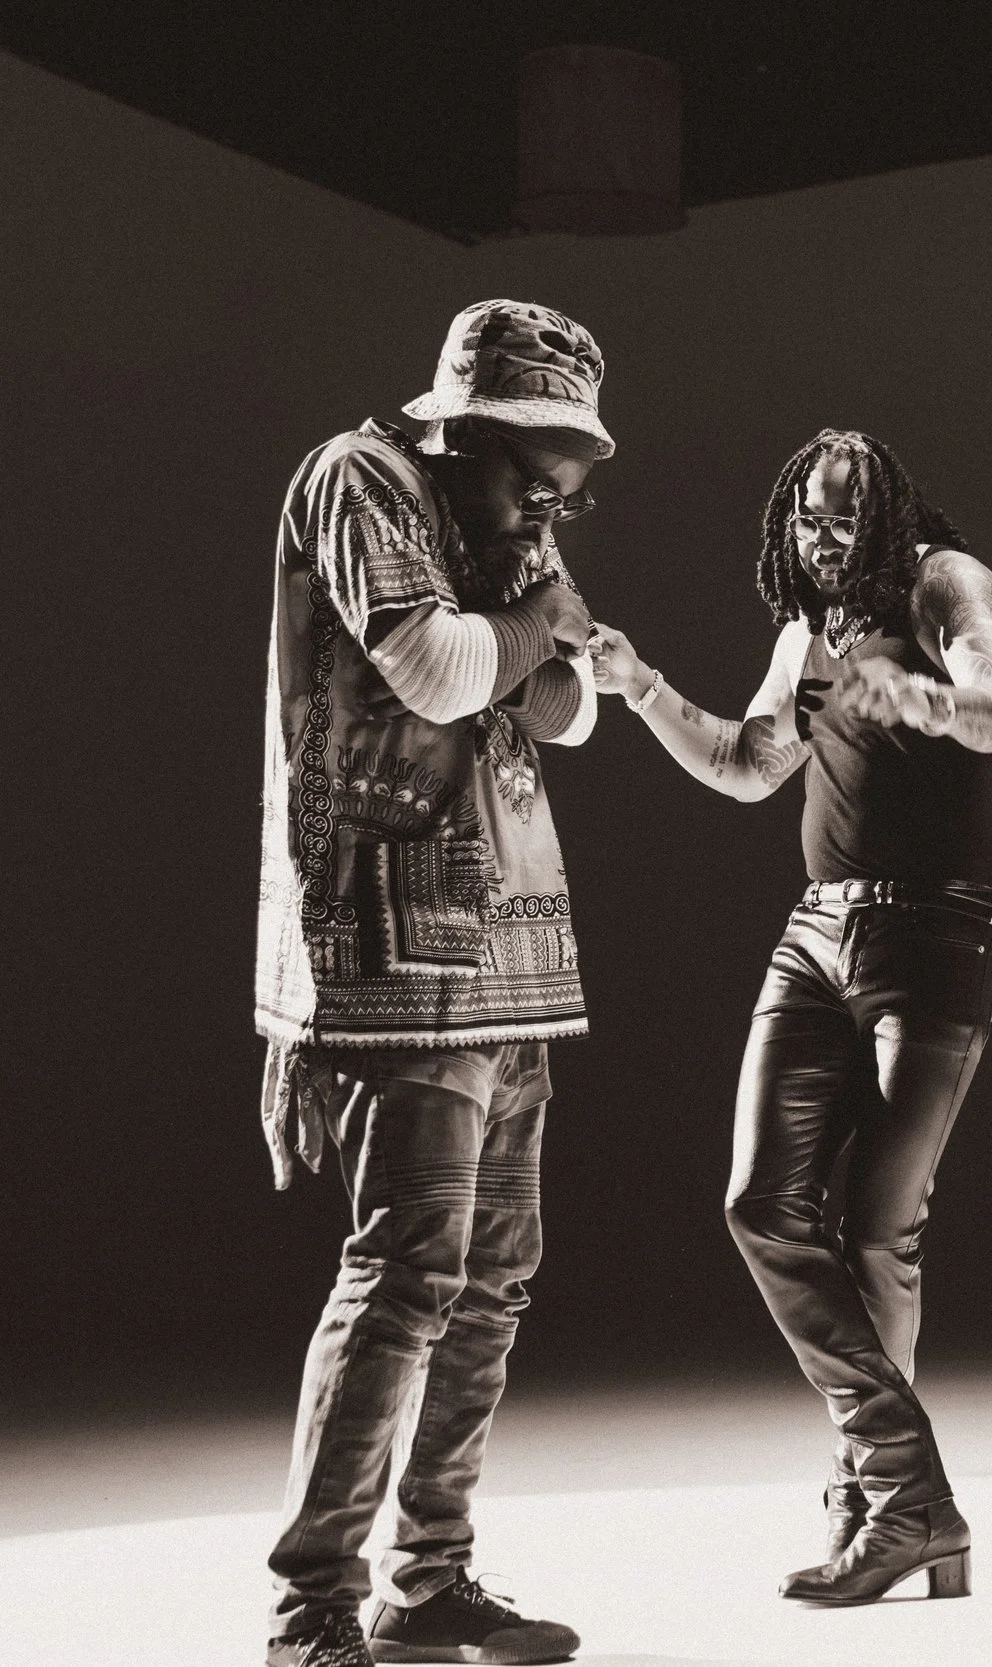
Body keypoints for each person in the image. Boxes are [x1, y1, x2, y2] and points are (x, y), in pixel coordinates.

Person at [586, 430, 992, 1605]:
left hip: (941, 930)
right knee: (758, 1203)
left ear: (883, 517)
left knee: (879, 1230)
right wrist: (641, 689)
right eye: (805, 522)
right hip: (819, 931)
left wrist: (925, 696)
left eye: (840, 522)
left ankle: (879, 1501)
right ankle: (911, 1497)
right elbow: (746, 763)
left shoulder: (947, 582)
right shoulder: (804, 632)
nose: (820, 542)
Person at [255, 299, 615, 1667]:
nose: (550, 497)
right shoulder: (360, 480)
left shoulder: (494, 530)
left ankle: (433, 1573)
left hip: (510, 943)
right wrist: (535, 624)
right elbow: (433, 661)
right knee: (408, 1268)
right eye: (532, 467)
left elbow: (564, 710)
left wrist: (532, 624)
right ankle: (312, 1605)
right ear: (464, 426)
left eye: (566, 476)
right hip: (393, 934)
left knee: (493, 1275)